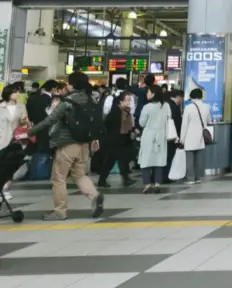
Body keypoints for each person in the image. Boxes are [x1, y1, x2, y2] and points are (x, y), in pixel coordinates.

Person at [26, 72, 104, 220]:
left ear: (72, 85)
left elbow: (49, 120)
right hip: (84, 144)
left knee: (58, 178)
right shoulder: (91, 99)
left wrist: (29, 132)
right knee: (79, 174)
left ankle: (60, 211)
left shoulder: (67, 102)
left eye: (68, 82)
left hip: (67, 144)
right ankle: (95, 196)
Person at [137, 85, 171, 194]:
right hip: (162, 135)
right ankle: (157, 183)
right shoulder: (166, 106)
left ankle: (147, 184)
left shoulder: (147, 107)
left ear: (153, 94)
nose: (147, 94)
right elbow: (169, 119)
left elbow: (141, 123)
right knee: (159, 160)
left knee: (145, 160)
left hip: (149, 135)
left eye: (148, 92)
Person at [99, 92, 135, 188]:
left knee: (122, 159)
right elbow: (108, 124)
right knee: (111, 161)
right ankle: (103, 179)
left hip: (122, 139)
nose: (129, 102)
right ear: (120, 101)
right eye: (127, 100)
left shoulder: (126, 111)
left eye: (129, 100)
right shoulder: (116, 111)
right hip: (114, 139)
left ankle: (125, 178)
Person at [179, 88, 213, 184]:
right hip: (201, 136)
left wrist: (182, 138)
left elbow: (184, 124)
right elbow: (209, 120)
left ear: (191, 96)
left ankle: (190, 178)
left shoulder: (188, 108)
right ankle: (198, 178)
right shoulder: (206, 107)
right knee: (198, 159)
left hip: (189, 136)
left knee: (189, 159)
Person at [0, 85, 27, 198]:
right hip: (2, 138)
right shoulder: (1, 106)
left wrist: (24, 121)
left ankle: (6, 189)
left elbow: (24, 123)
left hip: (15, 140)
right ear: (9, 94)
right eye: (15, 92)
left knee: (11, 166)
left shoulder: (21, 106)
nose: (17, 94)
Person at [164, 90, 184, 183]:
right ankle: (166, 176)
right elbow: (177, 122)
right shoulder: (174, 106)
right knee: (169, 156)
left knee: (164, 156)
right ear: (178, 97)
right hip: (171, 135)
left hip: (164, 134)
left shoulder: (165, 104)